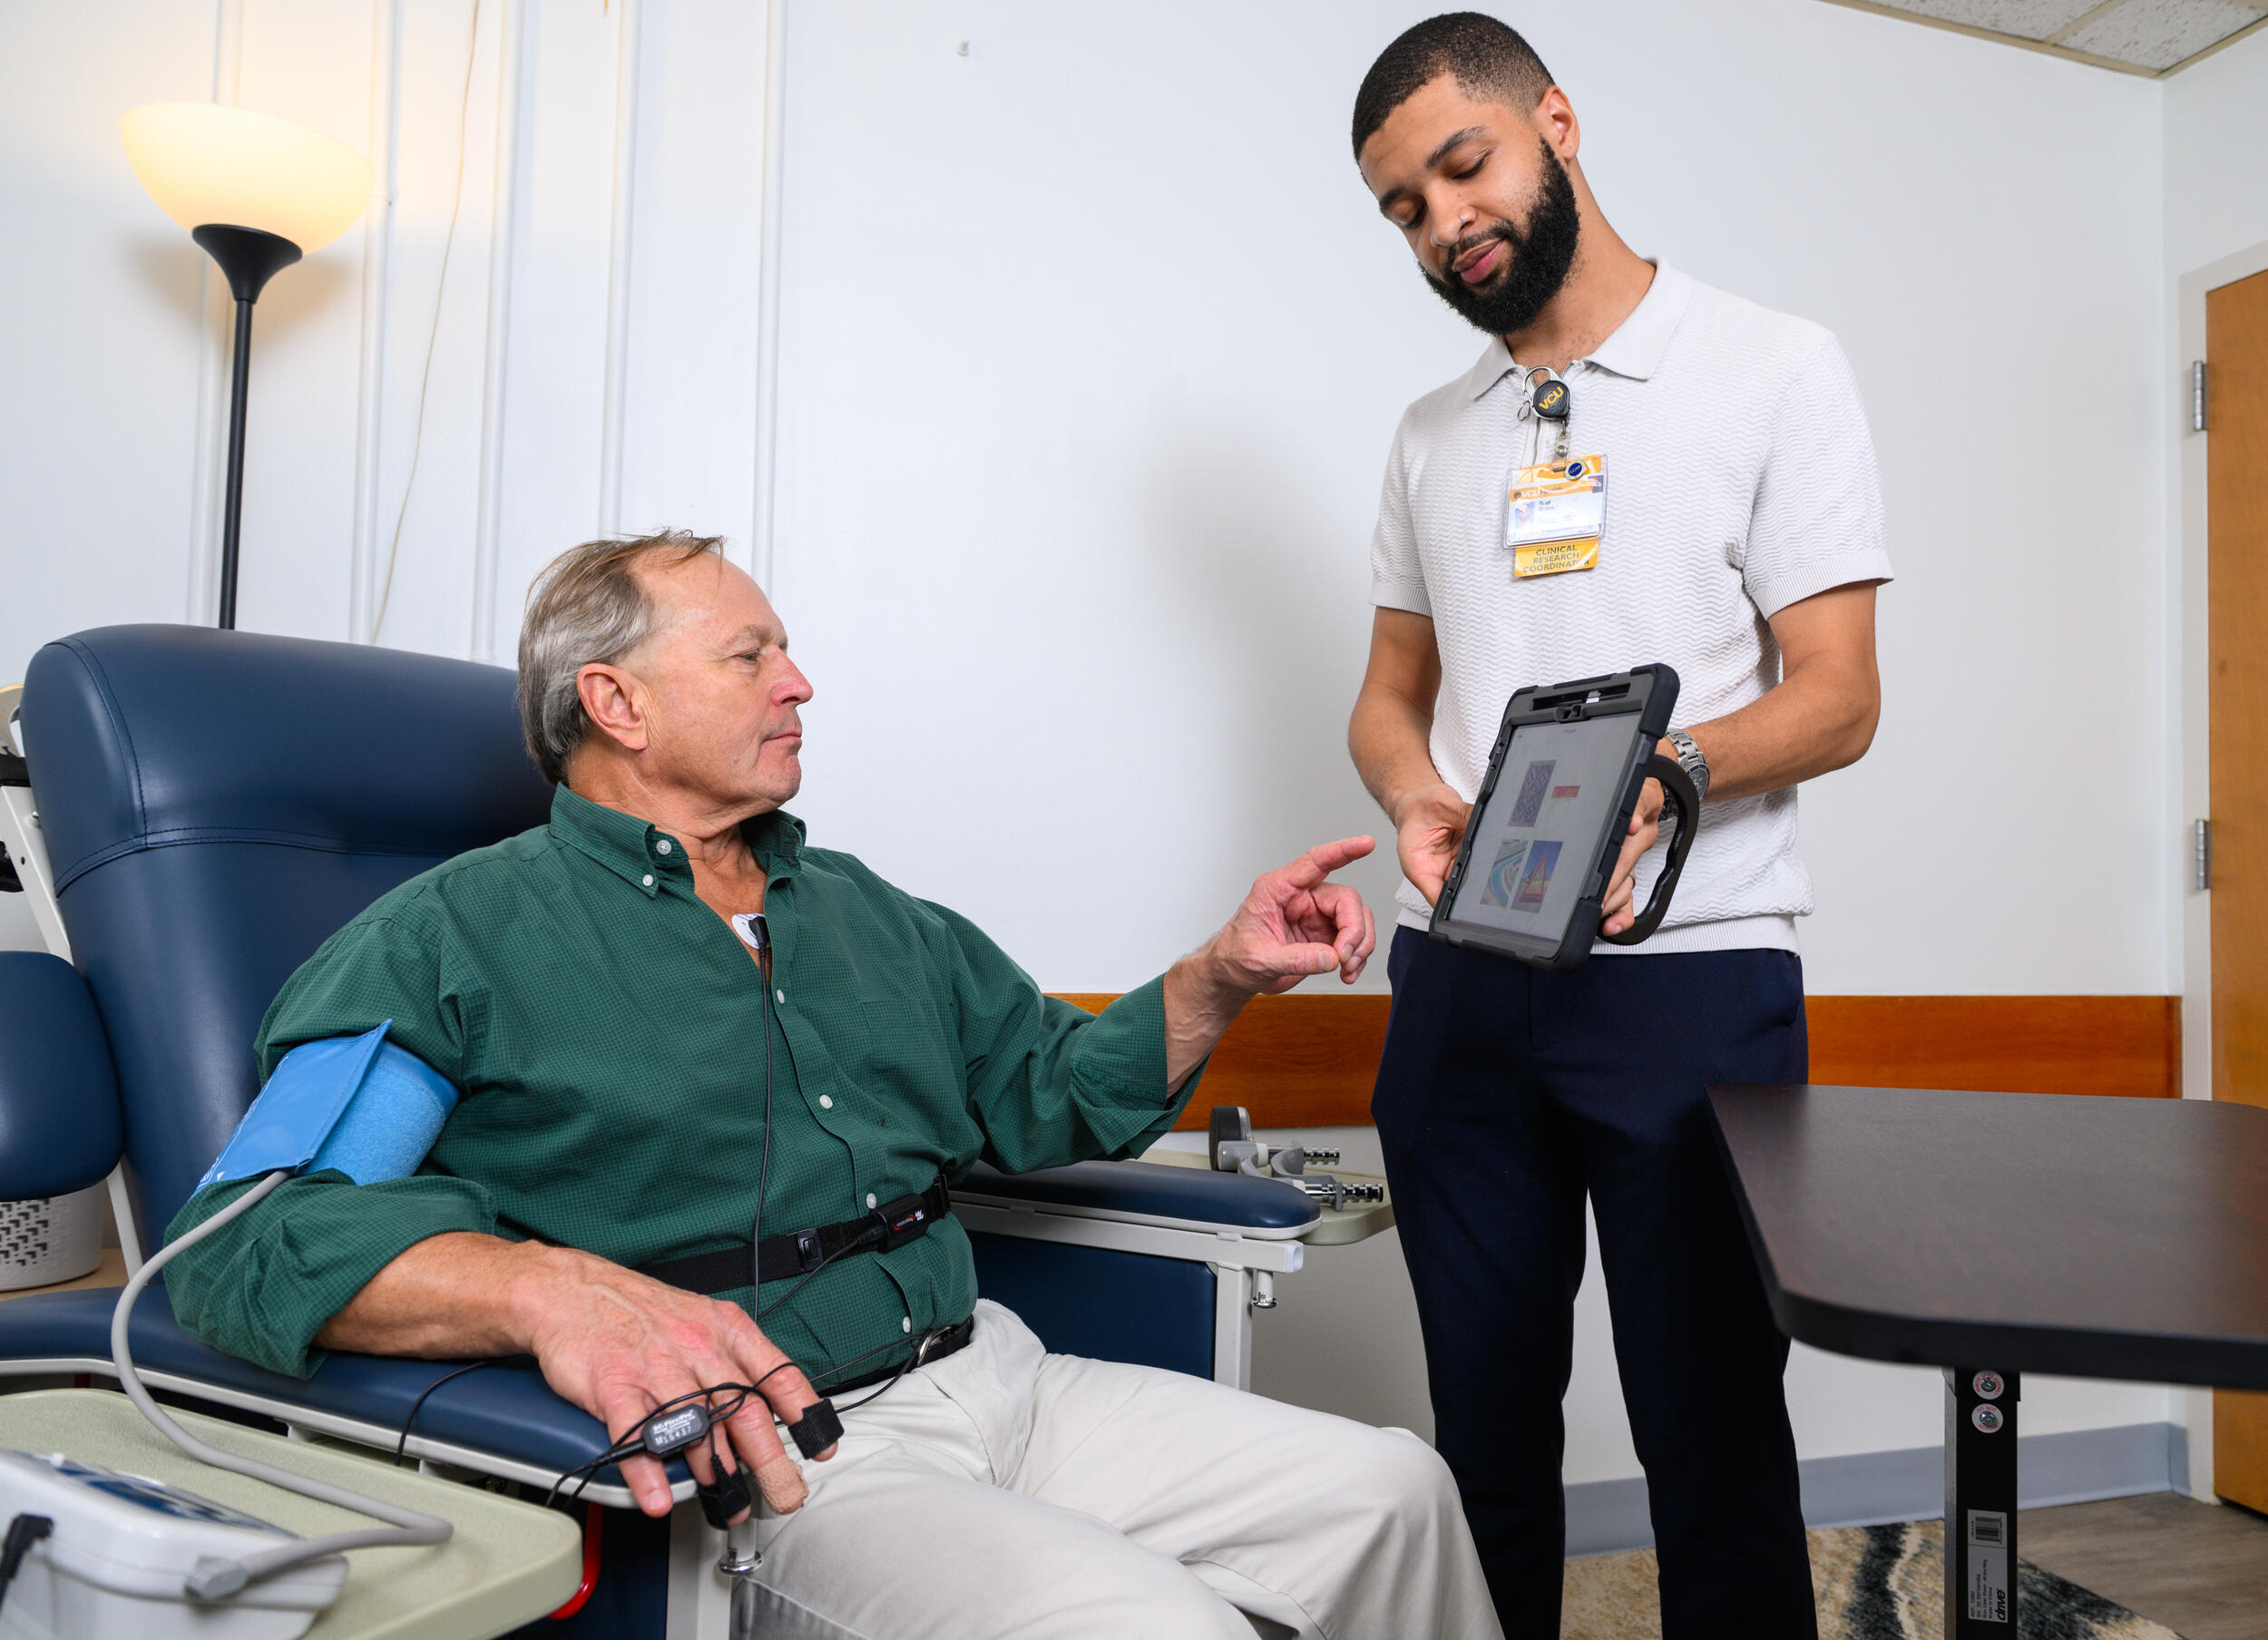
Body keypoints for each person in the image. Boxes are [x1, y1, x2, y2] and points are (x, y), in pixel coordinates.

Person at [165, 531, 1502, 1640]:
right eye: (749, 655)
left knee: (1394, 1491)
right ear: (616, 703)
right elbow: (250, 1237)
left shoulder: (864, 912)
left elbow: (1049, 1093)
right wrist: (542, 1287)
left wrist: (1225, 972)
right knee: (1157, 1631)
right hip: (790, 1457)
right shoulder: (450, 939)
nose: (797, 681)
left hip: (1002, 1378)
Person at [1345, 15, 1891, 1637]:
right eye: (1401, 207)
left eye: (1464, 164)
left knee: (1712, 1439)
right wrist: (1415, 796)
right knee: (1484, 1446)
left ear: (1556, 124)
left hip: (1689, 978)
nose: (1445, 220)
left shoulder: (1775, 367)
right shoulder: (1431, 435)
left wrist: (1673, 775)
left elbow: (1842, 695)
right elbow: (1384, 699)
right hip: (1462, 978)